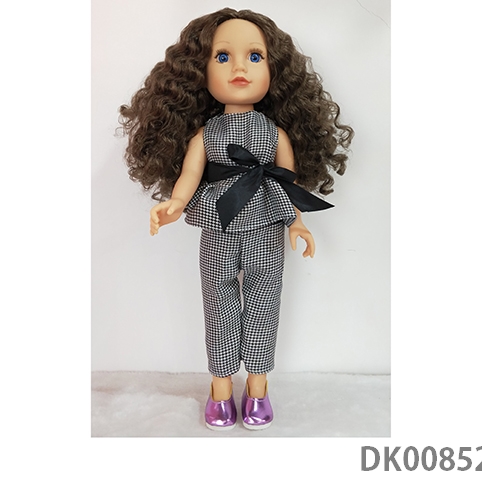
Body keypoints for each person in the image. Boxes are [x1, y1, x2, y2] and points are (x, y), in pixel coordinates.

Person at [119, 8, 353, 431]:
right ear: (200, 71)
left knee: (265, 303)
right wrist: (174, 205)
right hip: (218, 228)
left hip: (265, 227)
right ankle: (221, 386)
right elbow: (190, 176)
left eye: (255, 56)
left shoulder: (276, 134)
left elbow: (287, 181)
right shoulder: (206, 135)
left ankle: (258, 385)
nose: (239, 68)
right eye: (223, 56)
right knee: (218, 304)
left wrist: (297, 222)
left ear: (275, 70)